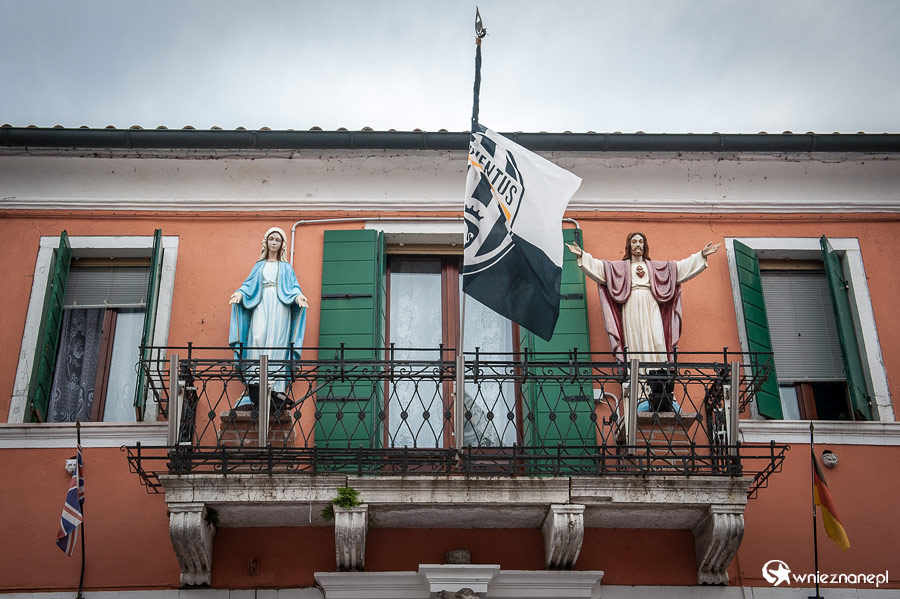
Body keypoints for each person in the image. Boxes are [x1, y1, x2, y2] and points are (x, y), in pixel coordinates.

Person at [566, 232, 720, 364]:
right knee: (635, 341)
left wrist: (701, 255)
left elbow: (679, 268)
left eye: (641, 241)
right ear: (629, 246)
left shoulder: (656, 267)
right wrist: (582, 256)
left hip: (651, 302)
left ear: (645, 245)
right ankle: (638, 380)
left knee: (658, 338)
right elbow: (600, 268)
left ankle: (659, 374)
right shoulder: (619, 268)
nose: (638, 244)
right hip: (631, 303)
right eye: (634, 242)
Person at [229, 227, 309, 409]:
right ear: (266, 242)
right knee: (257, 338)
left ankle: (276, 387)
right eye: (271, 239)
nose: (274, 242)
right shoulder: (259, 266)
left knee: (278, 343)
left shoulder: (286, 268)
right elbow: (248, 285)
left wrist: (299, 297)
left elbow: (293, 288)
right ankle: (254, 387)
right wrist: (239, 294)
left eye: (277, 240)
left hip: (280, 308)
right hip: (261, 304)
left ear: (282, 245)